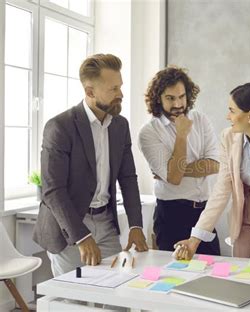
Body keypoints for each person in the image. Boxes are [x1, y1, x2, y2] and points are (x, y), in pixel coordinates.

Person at [33, 54, 148, 276]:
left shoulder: (120, 126)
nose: (120, 94)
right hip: (68, 226)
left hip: (106, 222)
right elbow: (53, 191)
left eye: (120, 87)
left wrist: (136, 225)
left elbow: (128, 178)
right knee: (74, 300)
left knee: (117, 293)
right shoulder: (60, 127)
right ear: (90, 92)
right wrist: (82, 236)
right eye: (113, 89)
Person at [174, 82, 250, 264]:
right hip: (243, 216)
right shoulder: (228, 137)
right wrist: (195, 239)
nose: (228, 116)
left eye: (232, 111)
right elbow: (221, 191)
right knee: (241, 270)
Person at [138, 66, 221, 255]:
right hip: (172, 214)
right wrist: (181, 135)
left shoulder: (200, 119)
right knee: (173, 277)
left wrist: (173, 169)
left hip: (204, 214)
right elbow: (174, 178)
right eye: (170, 98)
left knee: (214, 274)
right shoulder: (149, 132)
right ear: (158, 98)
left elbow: (214, 165)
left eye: (182, 96)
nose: (178, 104)